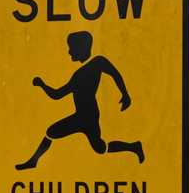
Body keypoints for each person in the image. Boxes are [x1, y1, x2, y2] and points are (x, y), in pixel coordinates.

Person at [15, 31, 144, 171]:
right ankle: (134, 147)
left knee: (54, 133)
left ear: (81, 48)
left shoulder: (95, 63)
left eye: (72, 48)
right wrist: (125, 94)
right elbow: (57, 94)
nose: (69, 52)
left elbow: (114, 73)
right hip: (84, 115)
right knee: (99, 147)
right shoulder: (85, 70)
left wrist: (125, 94)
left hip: (87, 116)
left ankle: (33, 162)